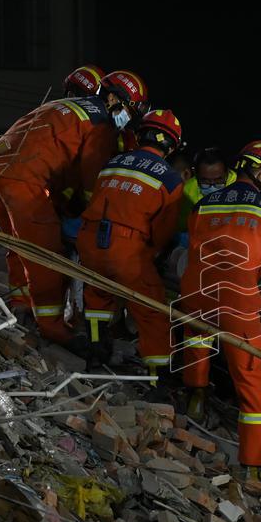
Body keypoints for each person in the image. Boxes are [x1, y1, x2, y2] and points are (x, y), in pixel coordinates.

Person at [0, 70, 149, 342]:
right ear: (115, 99)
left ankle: (22, 307)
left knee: (18, 245)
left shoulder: (65, 106)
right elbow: (91, 180)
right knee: (45, 254)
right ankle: (53, 328)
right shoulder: (101, 124)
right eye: (130, 108)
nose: (128, 116)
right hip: (25, 180)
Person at [180, 141, 261, 480]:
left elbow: (192, 245)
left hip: (197, 293)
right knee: (254, 385)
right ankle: (255, 465)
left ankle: (195, 396)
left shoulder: (204, 203)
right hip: (238, 304)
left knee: (197, 339)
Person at [77, 109, 185, 382]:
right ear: (171, 145)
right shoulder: (171, 179)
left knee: (97, 295)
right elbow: (161, 232)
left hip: (89, 240)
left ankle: (95, 354)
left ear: (140, 134)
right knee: (151, 310)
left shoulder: (112, 163)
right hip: (126, 249)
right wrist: (148, 256)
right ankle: (157, 377)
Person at [175, 148, 237, 238]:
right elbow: (181, 226)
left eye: (218, 181)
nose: (212, 186)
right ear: (196, 175)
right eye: (206, 182)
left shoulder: (238, 185)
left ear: (227, 173)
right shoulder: (186, 191)